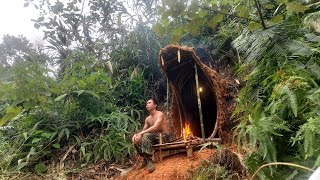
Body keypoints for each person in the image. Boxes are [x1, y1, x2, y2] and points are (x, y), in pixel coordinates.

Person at [132, 98, 171, 173]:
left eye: (149, 103)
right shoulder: (147, 119)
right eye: (146, 103)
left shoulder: (160, 114)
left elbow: (156, 127)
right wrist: (136, 135)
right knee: (136, 139)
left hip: (164, 137)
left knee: (145, 135)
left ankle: (149, 162)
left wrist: (142, 134)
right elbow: (143, 131)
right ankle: (146, 159)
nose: (147, 105)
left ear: (155, 105)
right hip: (153, 138)